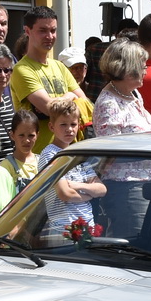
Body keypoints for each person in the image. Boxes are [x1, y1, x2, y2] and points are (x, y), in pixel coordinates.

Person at [93, 38, 151, 234]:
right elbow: (111, 153)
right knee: (133, 243)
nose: (145, 70)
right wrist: (150, 146)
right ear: (125, 68)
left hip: (148, 183)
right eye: (141, 65)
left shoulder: (134, 95)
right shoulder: (108, 103)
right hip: (127, 189)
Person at [11, 7, 91, 150]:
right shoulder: (21, 69)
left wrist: (64, 99)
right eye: (42, 31)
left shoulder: (59, 66)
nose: (49, 36)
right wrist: (71, 95)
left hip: (68, 151)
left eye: (53, 30)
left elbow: (84, 102)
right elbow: (50, 109)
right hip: (38, 154)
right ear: (27, 31)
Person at [35, 98, 104, 235]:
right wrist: (89, 195)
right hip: (63, 229)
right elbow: (65, 193)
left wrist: (76, 185)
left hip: (87, 226)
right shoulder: (51, 155)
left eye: (73, 124)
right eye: (63, 125)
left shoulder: (77, 154)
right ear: (51, 127)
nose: (69, 129)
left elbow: (101, 189)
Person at [3, 109, 41, 190]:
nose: (26, 140)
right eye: (21, 135)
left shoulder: (42, 161)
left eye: (31, 135)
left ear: (37, 135)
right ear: (12, 135)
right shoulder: (7, 165)